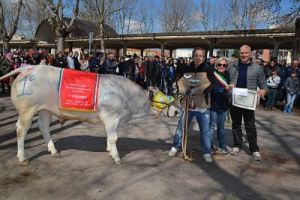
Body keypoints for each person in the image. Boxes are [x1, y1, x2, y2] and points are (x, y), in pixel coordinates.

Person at [168, 47, 215, 163]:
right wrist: (183, 90)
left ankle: (207, 152)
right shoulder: (186, 68)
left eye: (201, 56)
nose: (198, 57)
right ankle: (175, 146)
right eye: (196, 55)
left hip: (202, 106)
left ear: (203, 57)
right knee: (181, 128)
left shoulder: (208, 69)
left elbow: (211, 85)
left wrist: (198, 90)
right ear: (193, 56)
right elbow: (180, 82)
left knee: (205, 130)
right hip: (187, 104)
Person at [228, 45, 267, 161]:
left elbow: (263, 84)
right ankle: (237, 145)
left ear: (250, 53)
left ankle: (254, 149)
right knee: (236, 124)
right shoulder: (232, 66)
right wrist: (230, 85)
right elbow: (226, 79)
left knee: (250, 125)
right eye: (242, 53)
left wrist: (263, 90)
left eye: (246, 53)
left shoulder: (257, 68)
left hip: (249, 101)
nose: (244, 55)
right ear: (239, 53)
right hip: (235, 99)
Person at [209, 57, 230, 155]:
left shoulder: (228, 76)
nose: (222, 66)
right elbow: (211, 89)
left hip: (224, 105)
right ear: (216, 66)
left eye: (224, 65)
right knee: (211, 127)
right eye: (219, 64)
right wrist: (223, 89)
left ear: (227, 66)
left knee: (221, 127)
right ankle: (209, 146)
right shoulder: (212, 75)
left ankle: (222, 145)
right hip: (213, 105)